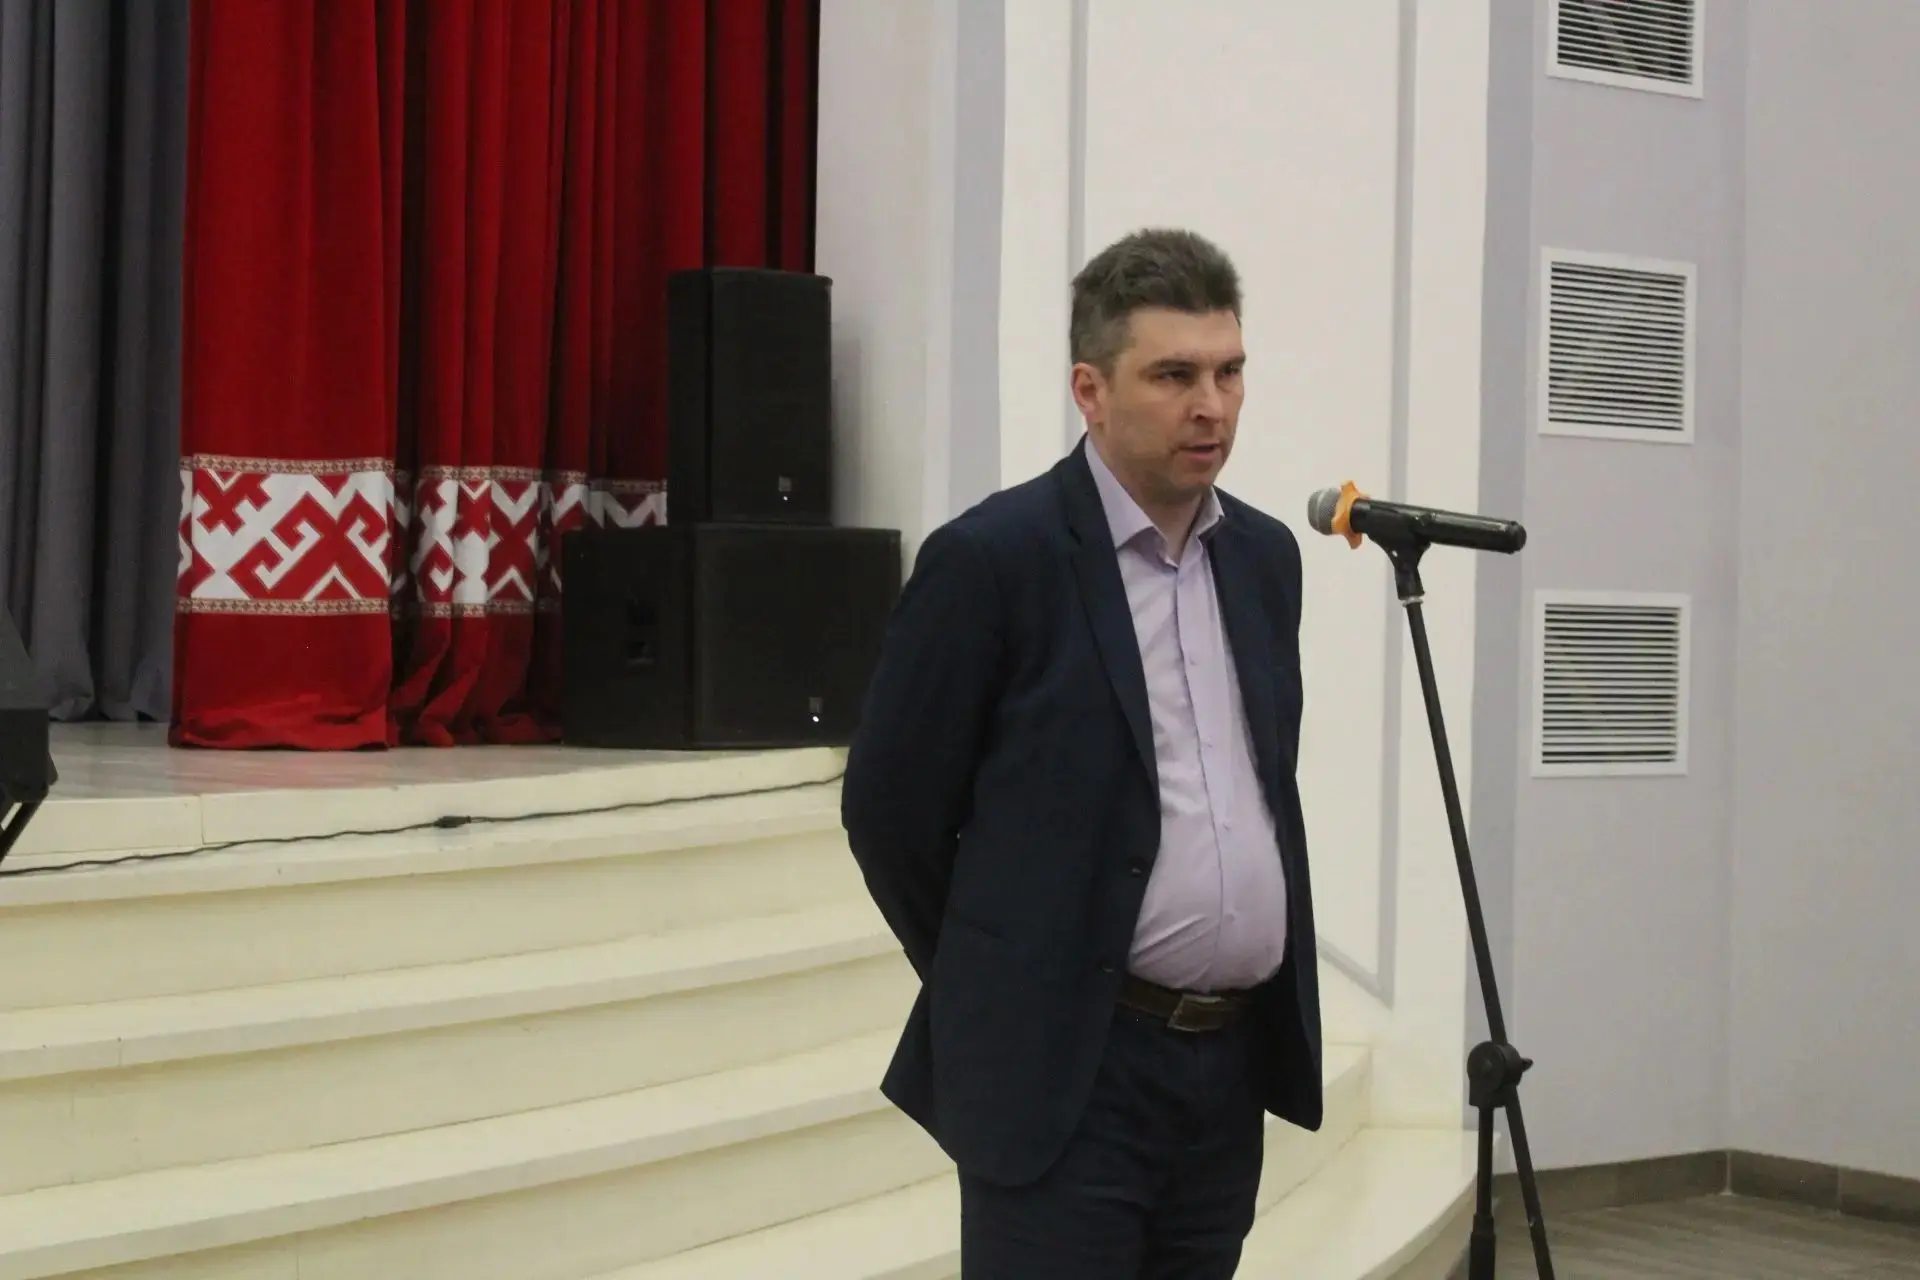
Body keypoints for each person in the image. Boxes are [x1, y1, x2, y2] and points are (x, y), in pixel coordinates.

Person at [840, 227, 1322, 1278]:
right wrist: (1014, 977)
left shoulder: (1265, 559)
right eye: (1174, 375)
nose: (1213, 405)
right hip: (1071, 1073)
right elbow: (890, 812)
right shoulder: (994, 560)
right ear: (1090, 391)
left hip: (1225, 1072)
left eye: (1230, 371)